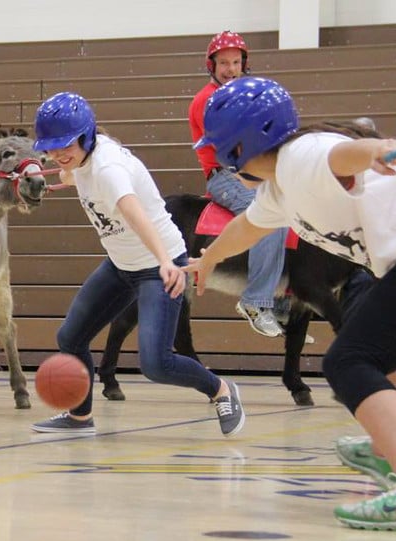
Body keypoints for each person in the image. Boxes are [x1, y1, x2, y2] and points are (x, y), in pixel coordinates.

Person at [188, 76, 396, 530]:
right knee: (373, 345)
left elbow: (338, 155)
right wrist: (209, 259)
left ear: (238, 147)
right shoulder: (280, 188)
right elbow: (248, 227)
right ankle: (388, 451)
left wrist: (375, 150)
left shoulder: (301, 157)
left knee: (348, 360)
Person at [29, 92, 244, 437]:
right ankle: (80, 418)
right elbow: (77, 173)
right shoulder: (82, 159)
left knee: (156, 364)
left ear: (85, 135)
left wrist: (165, 262)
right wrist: (64, 177)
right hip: (122, 265)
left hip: (159, 265)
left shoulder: (108, 169)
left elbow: (133, 210)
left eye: (64, 145)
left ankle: (221, 390)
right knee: (71, 337)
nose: (57, 155)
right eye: (50, 149)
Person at [188, 30, 286, 337]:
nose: (230, 69)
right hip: (224, 174)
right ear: (212, 66)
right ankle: (255, 301)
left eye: (235, 62)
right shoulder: (206, 101)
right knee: (266, 214)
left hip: (250, 167)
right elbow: (230, 147)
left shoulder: (247, 94)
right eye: (223, 63)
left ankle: (282, 297)